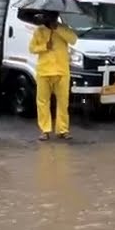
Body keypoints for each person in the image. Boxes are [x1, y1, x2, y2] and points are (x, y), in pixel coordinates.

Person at [29, 12, 77, 141]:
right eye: (50, 18)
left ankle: (63, 130)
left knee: (63, 102)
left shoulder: (63, 28)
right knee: (42, 102)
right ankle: (45, 130)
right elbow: (32, 48)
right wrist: (45, 46)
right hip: (44, 71)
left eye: (54, 18)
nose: (52, 20)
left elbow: (73, 40)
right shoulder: (39, 30)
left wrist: (58, 29)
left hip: (61, 71)